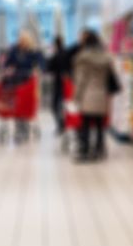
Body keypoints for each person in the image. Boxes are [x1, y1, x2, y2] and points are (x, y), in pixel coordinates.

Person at [71, 29, 117, 162]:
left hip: (87, 94)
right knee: (99, 124)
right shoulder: (106, 58)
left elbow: (80, 80)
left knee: (85, 123)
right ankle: (99, 149)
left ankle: (85, 151)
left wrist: (76, 97)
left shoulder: (83, 58)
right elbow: (110, 77)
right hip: (102, 94)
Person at [43, 37, 72, 135]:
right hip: (68, 83)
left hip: (58, 83)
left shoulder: (55, 56)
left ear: (55, 45)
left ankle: (61, 125)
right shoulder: (67, 53)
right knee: (67, 105)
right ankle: (66, 124)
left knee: (55, 106)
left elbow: (48, 68)